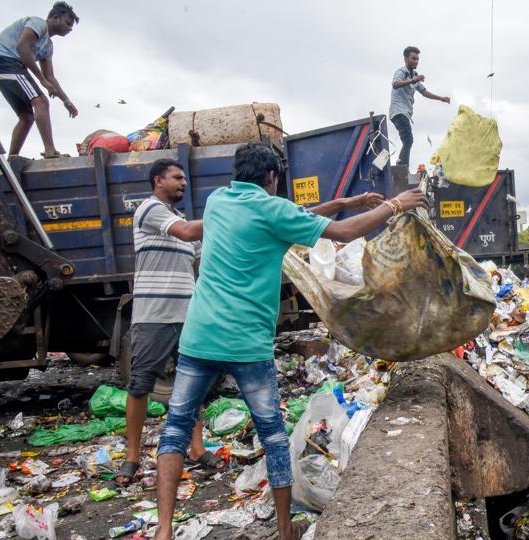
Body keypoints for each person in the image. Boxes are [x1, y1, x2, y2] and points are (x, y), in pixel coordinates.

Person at [153, 143, 426, 540]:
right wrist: (396, 204)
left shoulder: (217, 202)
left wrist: (346, 201)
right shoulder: (274, 209)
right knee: (274, 437)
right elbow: (343, 232)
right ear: (271, 179)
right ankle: (284, 530)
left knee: (176, 429)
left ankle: (163, 530)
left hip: (199, 336)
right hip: (246, 343)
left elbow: (301, 218)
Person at [115, 159, 223, 486]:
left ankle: (196, 447)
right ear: (158, 180)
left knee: (194, 382)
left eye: (184, 178)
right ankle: (132, 456)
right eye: (177, 178)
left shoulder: (183, 222)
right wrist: (228, 214)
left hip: (187, 315)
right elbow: (189, 232)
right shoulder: (149, 211)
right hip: (153, 315)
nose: (183, 183)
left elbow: (203, 263)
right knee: (140, 385)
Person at [0, 2, 79, 158]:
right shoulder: (38, 23)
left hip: (10, 67)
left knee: (27, 117)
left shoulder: (48, 46)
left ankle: (13, 159)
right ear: (55, 18)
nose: (70, 28)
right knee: (41, 101)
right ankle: (50, 151)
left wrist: (66, 100)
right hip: (3, 61)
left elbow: (50, 77)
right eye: (67, 23)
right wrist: (41, 81)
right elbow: (22, 47)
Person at [390, 45, 450, 167]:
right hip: (398, 111)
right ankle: (401, 168)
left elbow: (424, 92)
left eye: (417, 59)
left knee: (407, 140)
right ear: (406, 59)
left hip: (406, 113)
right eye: (413, 58)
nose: (416, 61)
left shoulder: (414, 76)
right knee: (408, 140)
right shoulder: (401, 72)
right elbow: (395, 84)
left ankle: (401, 165)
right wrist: (413, 80)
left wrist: (441, 98)